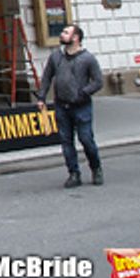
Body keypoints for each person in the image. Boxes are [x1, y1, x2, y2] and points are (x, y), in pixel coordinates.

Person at [37, 23, 104, 188]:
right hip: (61, 105)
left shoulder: (87, 58)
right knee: (66, 141)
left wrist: (83, 93)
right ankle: (74, 173)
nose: (62, 34)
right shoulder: (56, 57)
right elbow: (46, 78)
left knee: (86, 138)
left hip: (81, 106)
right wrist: (41, 97)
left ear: (76, 38)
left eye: (66, 32)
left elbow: (98, 82)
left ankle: (96, 168)